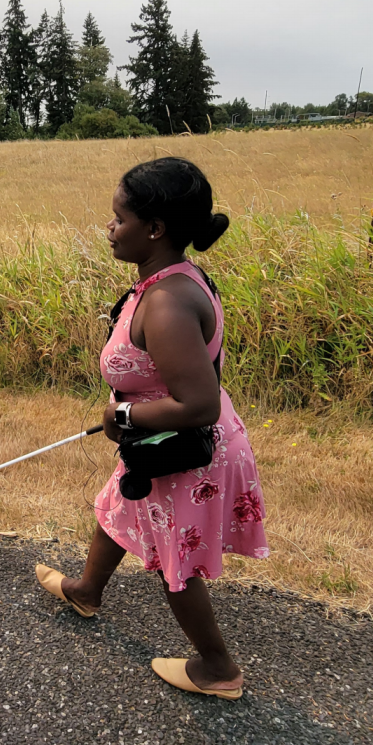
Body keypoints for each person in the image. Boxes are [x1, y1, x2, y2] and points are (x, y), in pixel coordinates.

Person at [36, 157, 269, 701]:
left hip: (186, 450)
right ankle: (86, 589)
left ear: (155, 229)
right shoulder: (167, 279)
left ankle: (218, 668)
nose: (110, 229)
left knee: (175, 561)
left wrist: (121, 417)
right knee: (118, 502)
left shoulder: (166, 303)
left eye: (118, 218)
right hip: (158, 442)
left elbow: (198, 406)